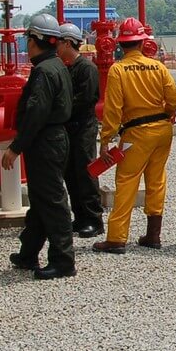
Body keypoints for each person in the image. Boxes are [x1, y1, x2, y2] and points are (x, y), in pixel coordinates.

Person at [92, 18, 176, 252]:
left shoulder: (118, 70)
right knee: (157, 180)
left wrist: (106, 139)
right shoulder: (158, 67)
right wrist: (167, 113)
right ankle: (153, 235)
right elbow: (174, 98)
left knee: (126, 181)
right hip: (162, 131)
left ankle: (116, 238)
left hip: (136, 133)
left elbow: (113, 109)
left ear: (121, 44)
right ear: (142, 42)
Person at [3, 14, 76, 280]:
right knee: (41, 199)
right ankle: (28, 253)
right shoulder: (57, 66)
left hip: (45, 141)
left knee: (52, 201)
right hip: (54, 139)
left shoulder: (44, 71)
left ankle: (63, 261)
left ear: (34, 41)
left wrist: (16, 147)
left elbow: (37, 112)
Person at [56, 22, 104, 238]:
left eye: (58, 43)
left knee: (85, 172)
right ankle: (80, 216)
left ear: (68, 43)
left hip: (83, 127)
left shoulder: (87, 69)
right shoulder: (68, 68)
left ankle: (94, 219)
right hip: (70, 127)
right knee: (71, 173)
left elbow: (86, 98)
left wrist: (60, 108)